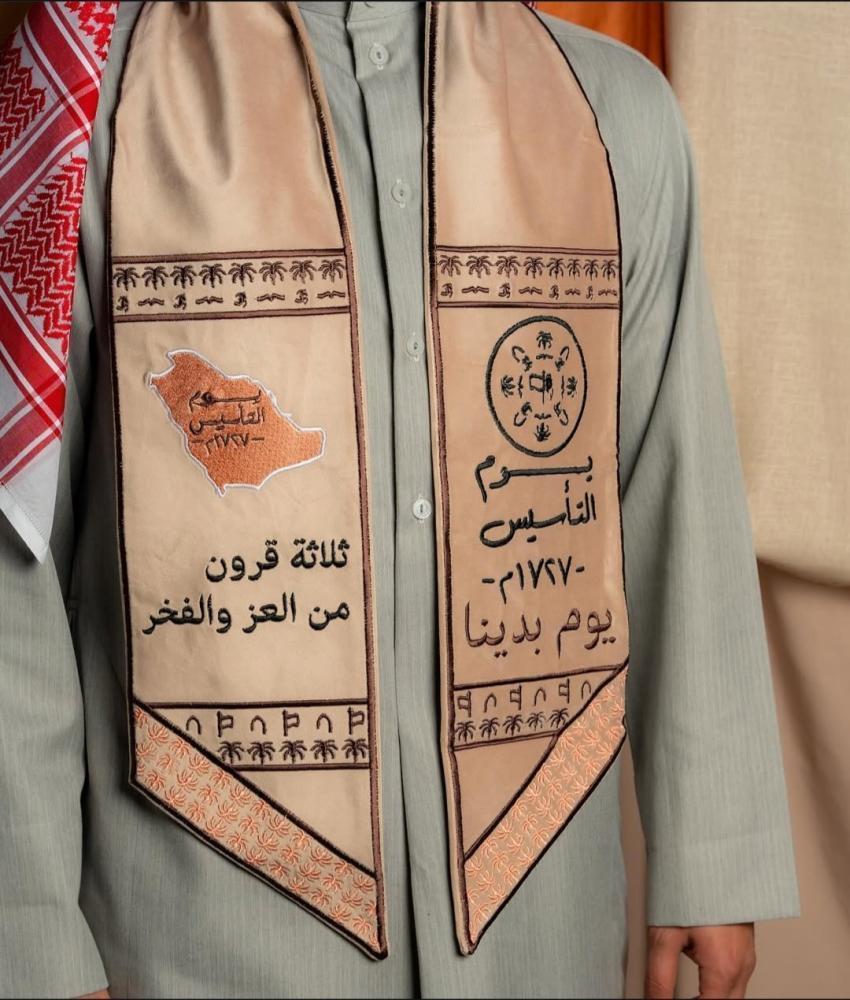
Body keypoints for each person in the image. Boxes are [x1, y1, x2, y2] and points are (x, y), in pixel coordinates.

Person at [0, 3, 798, 998]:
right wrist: (30, 940)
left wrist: (711, 851)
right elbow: (15, 565)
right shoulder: (83, 108)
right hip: (196, 939)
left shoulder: (611, 113)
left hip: (536, 929)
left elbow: (675, 479)